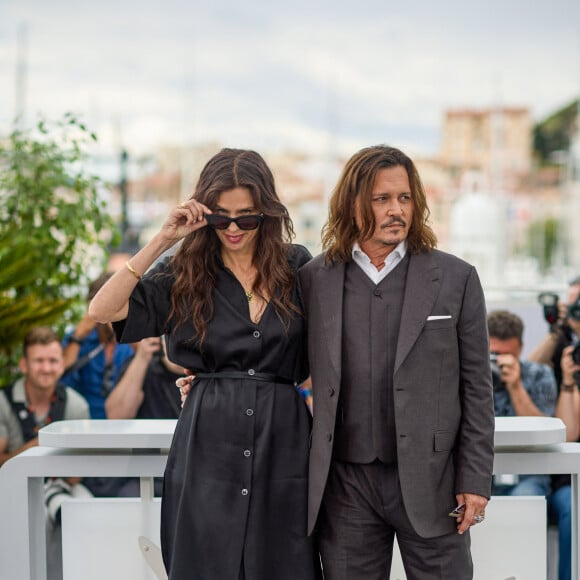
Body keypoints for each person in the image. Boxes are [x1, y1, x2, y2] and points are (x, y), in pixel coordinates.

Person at [88, 148, 320, 580]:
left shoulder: (296, 266)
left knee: (285, 563)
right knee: (206, 561)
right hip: (208, 442)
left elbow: (328, 351)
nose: (233, 228)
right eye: (221, 217)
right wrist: (162, 239)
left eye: (247, 217)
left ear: (266, 213)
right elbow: (103, 309)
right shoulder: (183, 271)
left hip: (284, 441)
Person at [299, 145, 495, 579]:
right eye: (382, 199)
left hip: (435, 485)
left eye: (404, 198)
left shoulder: (457, 278)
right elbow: (283, 359)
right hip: (345, 487)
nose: (396, 210)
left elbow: (478, 388)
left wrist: (476, 479)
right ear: (353, 204)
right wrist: (210, 377)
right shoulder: (315, 279)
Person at [0, 327, 91, 580]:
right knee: (31, 516)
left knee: (85, 507)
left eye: (53, 361)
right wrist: (35, 448)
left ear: (62, 364)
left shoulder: (75, 404)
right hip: (13, 489)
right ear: (24, 365)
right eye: (39, 361)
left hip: (63, 486)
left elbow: (77, 475)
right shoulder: (4, 401)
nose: (46, 368)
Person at [528, 276, 580, 580]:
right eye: (572, 302)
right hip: (563, 475)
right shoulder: (560, 345)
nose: (576, 308)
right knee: (572, 507)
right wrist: (558, 329)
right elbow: (527, 369)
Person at [487, 309, 557, 496]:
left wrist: (516, 386)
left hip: (528, 472)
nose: (499, 362)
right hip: (483, 472)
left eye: (507, 354)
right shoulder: (469, 377)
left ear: (520, 348)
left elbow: (543, 432)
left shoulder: (539, 374)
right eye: (493, 355)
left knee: (526, 497)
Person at [61, 273, 135, 419]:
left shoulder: (131, 340)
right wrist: (79, 335)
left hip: (123, 421)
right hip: (84, 420)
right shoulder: (77, 338)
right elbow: (62, 375)